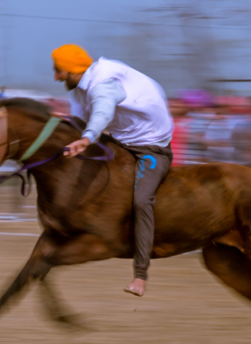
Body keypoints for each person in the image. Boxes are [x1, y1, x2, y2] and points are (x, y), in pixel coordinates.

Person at [52, 44, 174, 297]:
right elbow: (83, 120)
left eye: (58, 71)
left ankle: (140, 275)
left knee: (142, 201)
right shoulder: (80, 86)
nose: (55, 77)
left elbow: (103, 111)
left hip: (152, 147)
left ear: (73, 70)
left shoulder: (103, 83)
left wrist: (86, 139)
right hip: (123, 139)